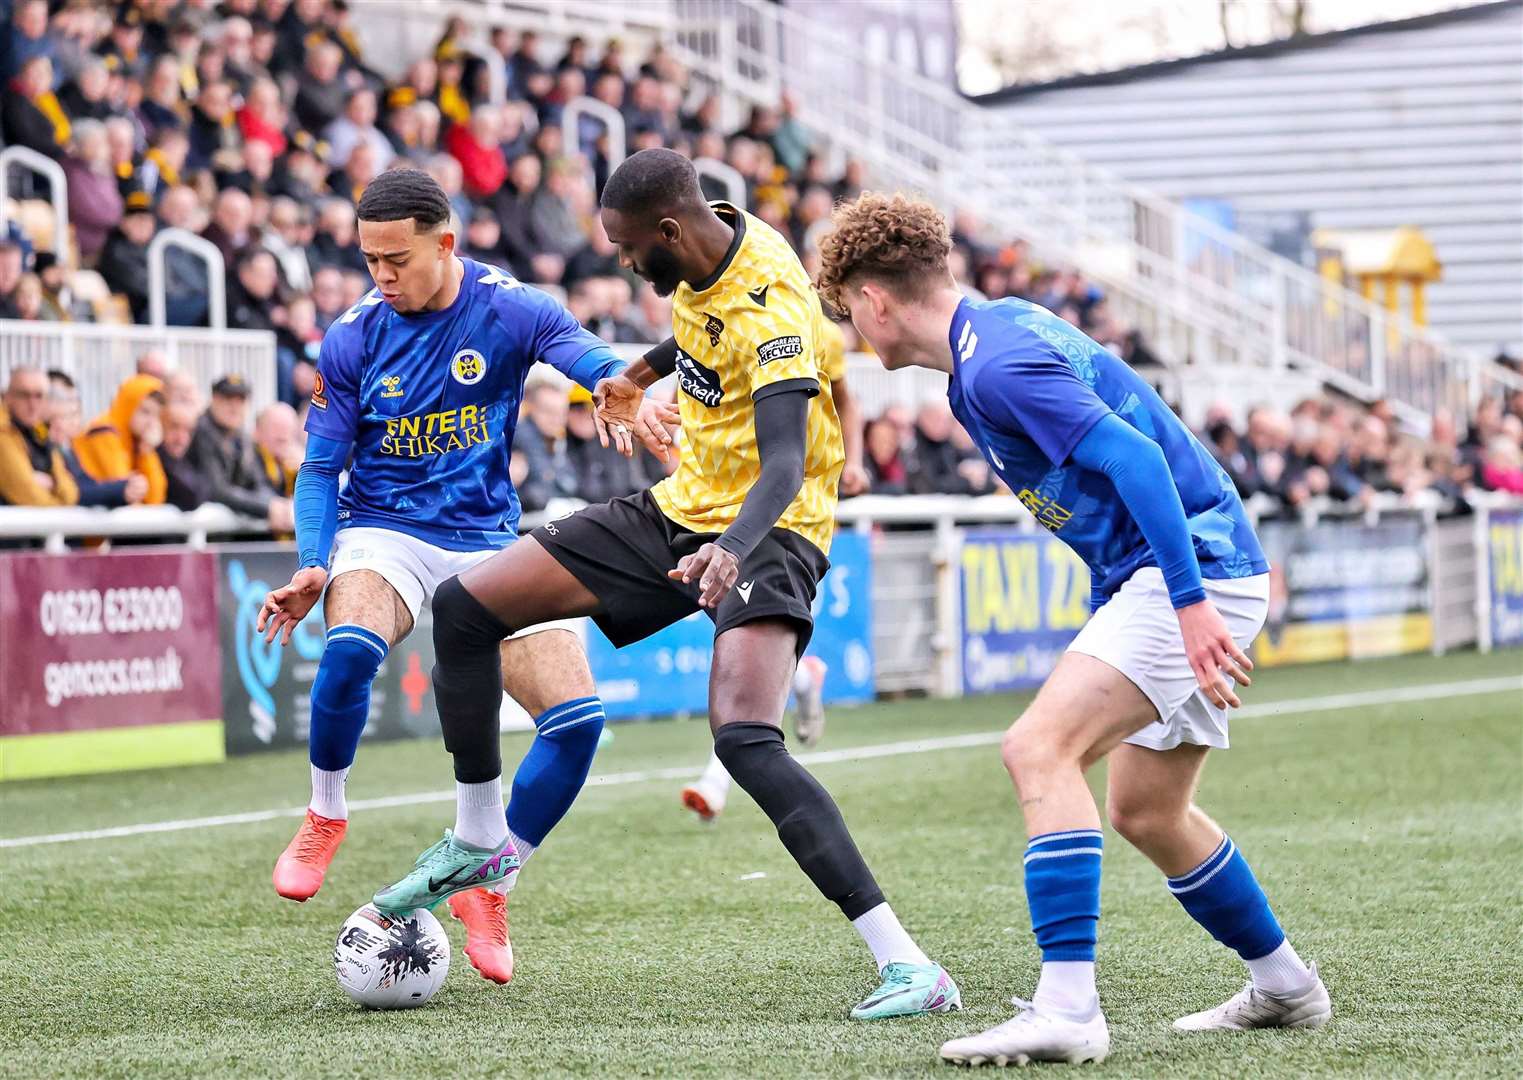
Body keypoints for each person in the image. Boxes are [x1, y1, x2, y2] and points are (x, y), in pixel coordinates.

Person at [371, 150, 957, 1021]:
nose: (620, 260)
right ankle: (481, 837)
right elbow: (695, 327)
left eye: (625, 246)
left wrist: (732, 549)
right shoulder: (714, 241)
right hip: (679, 505)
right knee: (463, 609)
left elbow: (789, 464)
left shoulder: (776, 312)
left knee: (745, 742)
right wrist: (635, 378)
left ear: (668, 233)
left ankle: (908, 965)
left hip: (772, 528)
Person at [816, 193, 1329, 1066]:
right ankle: (1286, 985)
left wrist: (1189, 602)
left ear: (873, 300)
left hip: (1188, 576)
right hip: (1188, 571)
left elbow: (1133, 456)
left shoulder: (995, 364)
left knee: (1037, 748)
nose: (854, 336)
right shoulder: (992, 335)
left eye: (846, 314)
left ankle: (1067, 1009)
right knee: (1148, 811)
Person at [253, 169, 676, 986]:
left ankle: (489, 877)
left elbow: (580, 352)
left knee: (577, 722)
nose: (381, 276)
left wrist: (616, 388)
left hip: (486, 538)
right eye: (369, 258)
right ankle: (325, 812)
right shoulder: (351, 336)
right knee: (346, 653)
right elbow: (318, 469)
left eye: (396, 260)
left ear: (445, 244)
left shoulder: (506, 304)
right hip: (385, 530)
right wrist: (314, 559)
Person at [678, 309, 867, 821]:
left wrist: (856, 460)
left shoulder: (815, 332)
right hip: (720, 502)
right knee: (735, 631)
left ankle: (715, 782)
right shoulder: (713, 317)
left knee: (746, 645)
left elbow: (846, 401)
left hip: (788, 513)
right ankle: (804, 677)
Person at [185, 375, 293, 533]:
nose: (235, 406)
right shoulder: (201, 432)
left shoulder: (241, 437)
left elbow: (257, 482)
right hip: (197, 533)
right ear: (214, 399)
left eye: (241, 400)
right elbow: (217, 490)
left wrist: (276, 504)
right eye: (228, 398)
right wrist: (267, 507)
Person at [72, 373, 168, 504]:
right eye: (145, 411)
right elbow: (126, 491)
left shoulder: (136, 441)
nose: (152, 422)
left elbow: (155, 499)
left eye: (157, 415)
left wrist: (147, 451)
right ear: (128, 405)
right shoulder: (104, 432)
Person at [0, 367, 78, 507]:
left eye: (39, 396)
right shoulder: (3, 432)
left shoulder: (40, 432)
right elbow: (27, 495)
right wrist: (60, 505)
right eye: (24, 395)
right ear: (8, 397)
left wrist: (53, 483)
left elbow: (71, 492)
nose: (32, 404)